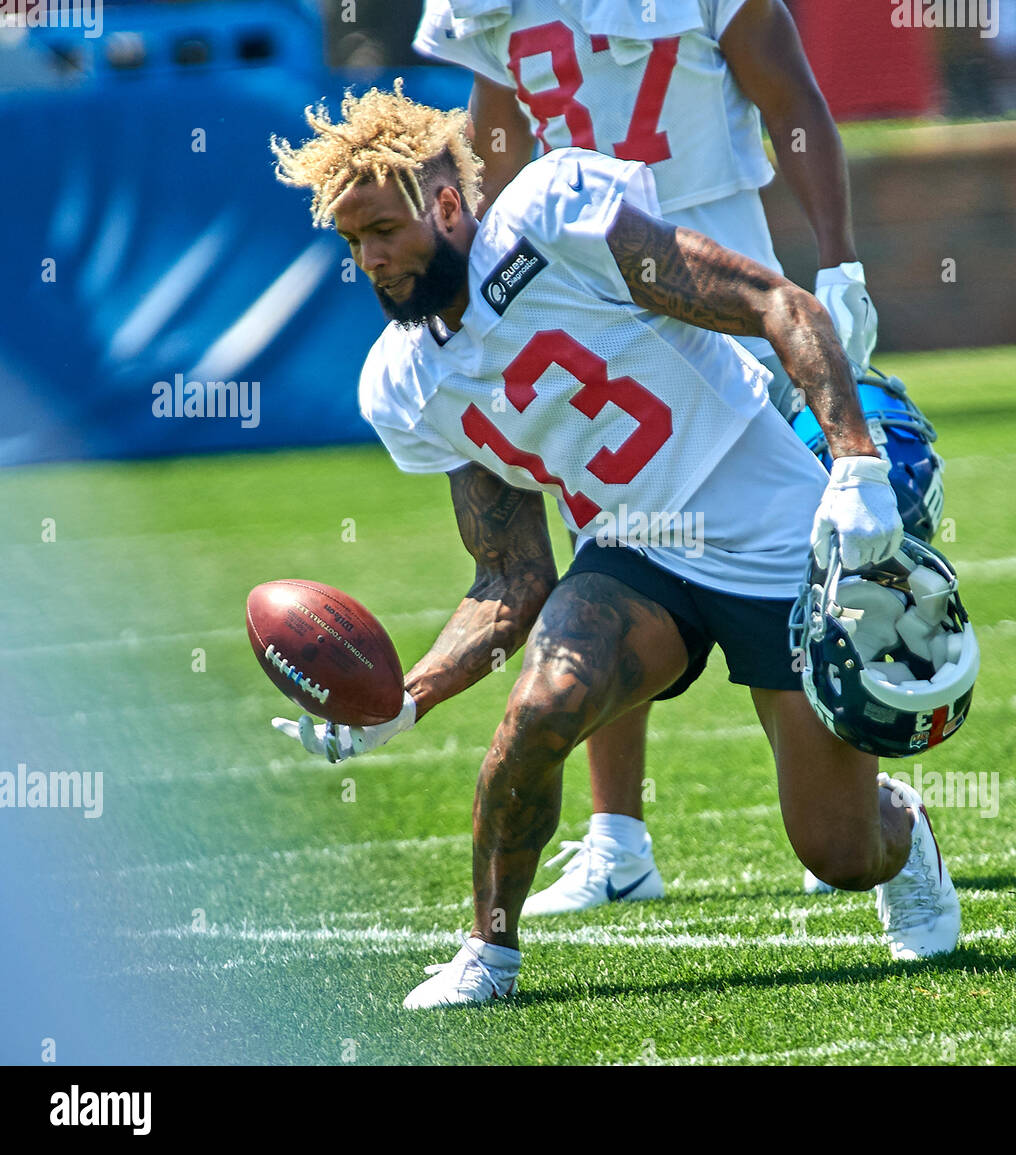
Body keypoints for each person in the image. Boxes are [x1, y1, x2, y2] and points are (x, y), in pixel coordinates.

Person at [268, 83, 963, 1006]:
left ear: (443, 204)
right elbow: (511, 578)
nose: (372, 260)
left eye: (384, 230)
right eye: (354, 243)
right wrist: (410, 696)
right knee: (539, 713)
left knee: (836, 853)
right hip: (636, 553)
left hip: (770, 536)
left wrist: (855, 464)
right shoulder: (405, 383)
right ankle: (490, 951)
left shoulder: (551, 220)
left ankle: (902, 835)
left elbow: (775, 301)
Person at [411, 0, 900, 909]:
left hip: (714, 283)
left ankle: (849, 795)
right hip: (582, 289)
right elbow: (495, 151)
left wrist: (838, 259)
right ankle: (617, 838)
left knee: (799, 542)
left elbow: (789, 96)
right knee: (608, 526)